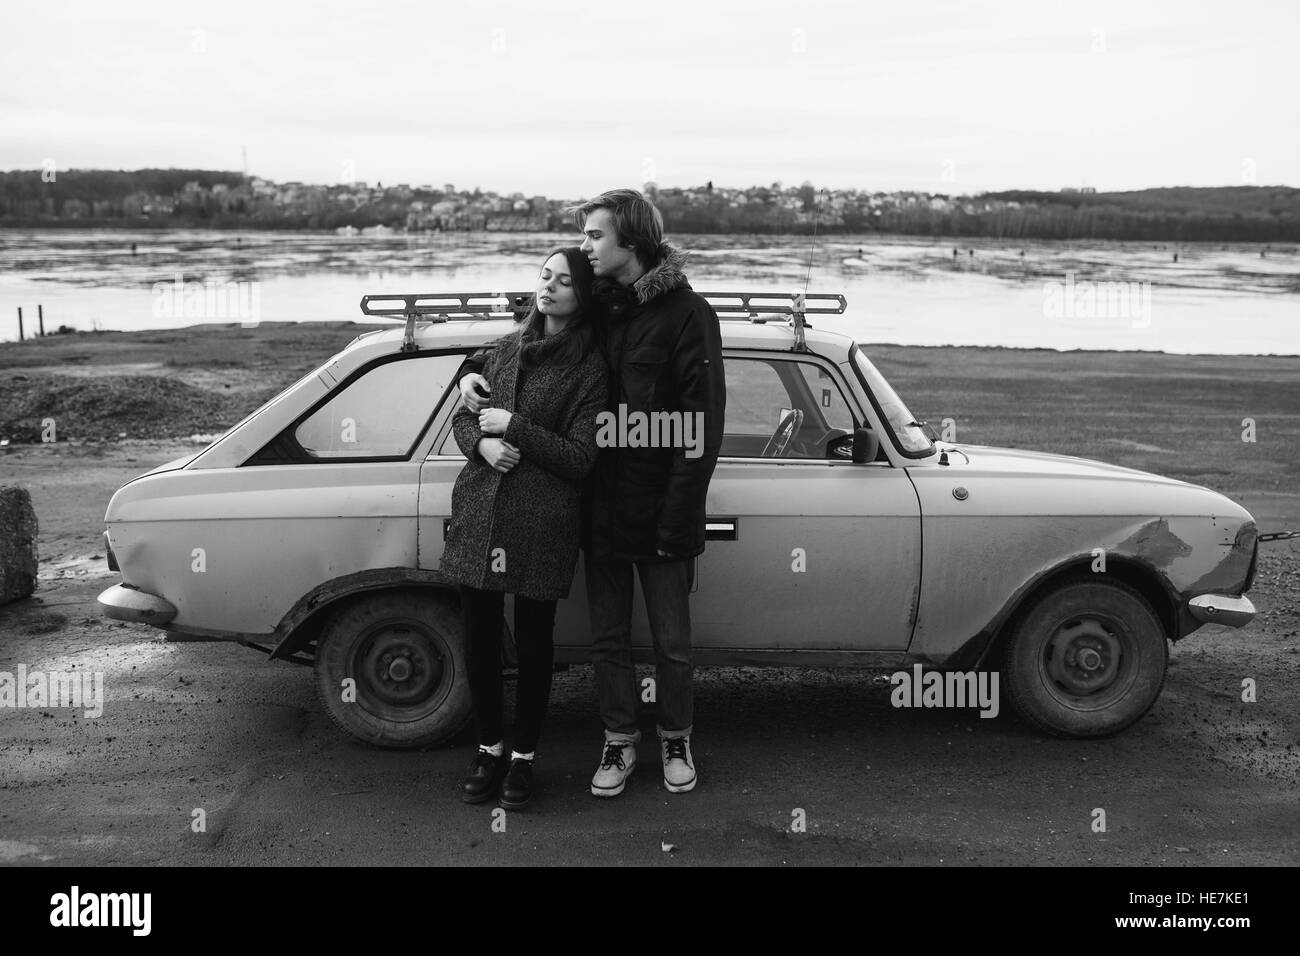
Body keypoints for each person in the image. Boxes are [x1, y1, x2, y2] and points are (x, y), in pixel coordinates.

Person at [458, 189, 725, 796]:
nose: (584, 247)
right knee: (608, 640)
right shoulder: (600, 307)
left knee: (672, 645)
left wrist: (679, 517)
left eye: (594, 237)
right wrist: (468, 369)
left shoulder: (688, 314)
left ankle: (676, 738)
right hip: (597, 506)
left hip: (660, 508)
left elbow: (700, 428)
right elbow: (523, 345)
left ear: (630, 242)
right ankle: (619, 742)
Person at [440, 246, 608, 810]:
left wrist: (516, 427)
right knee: (479, 640)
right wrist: (482, 442)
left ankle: (523, 759)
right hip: (479, 512)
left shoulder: (589, 368)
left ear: (583, 295)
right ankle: (488, 747)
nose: (550, 287)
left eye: (564, 281)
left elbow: (582, 457)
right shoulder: (508, 345)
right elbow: (463, 412)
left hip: (541, 521)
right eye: (544, 276)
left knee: (535, 645)